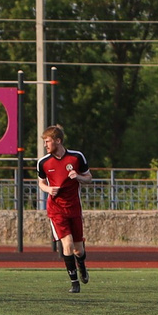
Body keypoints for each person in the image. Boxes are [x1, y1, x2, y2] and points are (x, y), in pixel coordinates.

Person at [35, 125, 93, 293]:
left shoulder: (76, 157)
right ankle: (74, 282)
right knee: (66, 244)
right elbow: (41, 182)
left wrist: (79, 177)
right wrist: (48, 189)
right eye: (44, 142)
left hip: (74, 208)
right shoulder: (43, 162)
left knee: (78, 249)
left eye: (48, 142)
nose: (45, 145)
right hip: (56, 209)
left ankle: (81, 266)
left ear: (58, 141)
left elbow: (89, 178)